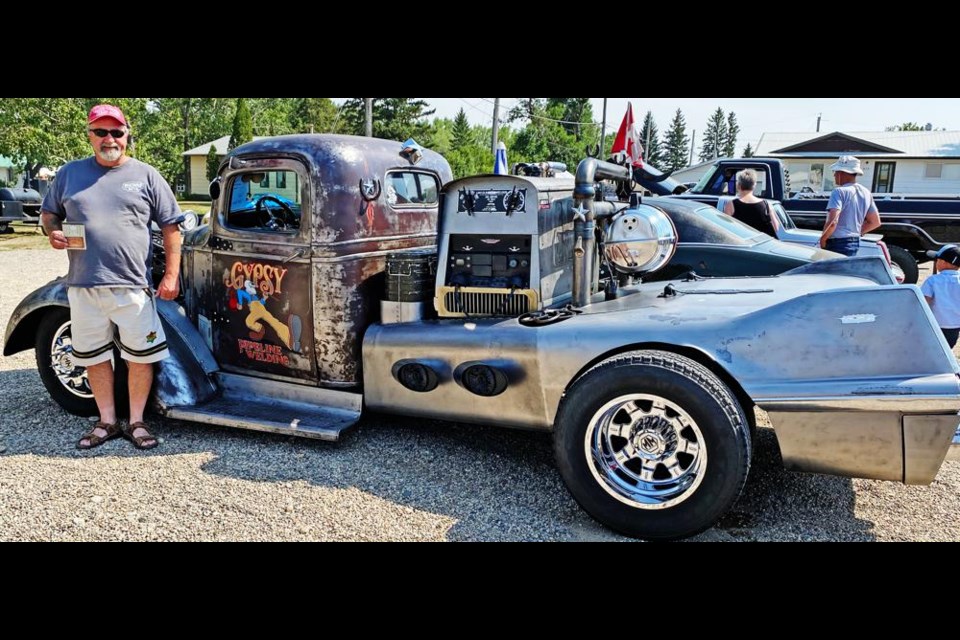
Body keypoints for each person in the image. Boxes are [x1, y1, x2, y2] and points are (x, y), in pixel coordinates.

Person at [41, 104, 184, 451]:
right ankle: (106, 421)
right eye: (101, 132)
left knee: (140, 357)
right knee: (93, 357)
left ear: (127, 136)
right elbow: (49, 214)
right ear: (90, 136)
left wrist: (171, 276)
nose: (109, 139)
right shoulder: (69, 174)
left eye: (116, 132)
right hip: (83, 286)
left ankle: (136, 421)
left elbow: (171, 227)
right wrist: (52, 232)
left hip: (133, 286)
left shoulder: (147, 175)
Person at [819, 155, 881, 256]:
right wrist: (856, 233)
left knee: (831, 271)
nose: (834, 175)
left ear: (842, 173)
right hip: (855, 242)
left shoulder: (838, 192)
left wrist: (823, 239)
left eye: (836, 172)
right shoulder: (866, 192)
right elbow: (875, 222)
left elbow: (833, 222)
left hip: (836, 243)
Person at [921, 244, 960, 348]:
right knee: (947, 349)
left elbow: (924, 302)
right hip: (955, 326)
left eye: (937, 260)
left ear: (943, 262)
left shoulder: (932, 281)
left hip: (936, 325)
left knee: (934, 349)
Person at [723, 169, 779, 237]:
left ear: (738, 185)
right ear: (754, 185)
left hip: (742, 244)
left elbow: (725, 229)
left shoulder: (731, 205)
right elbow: (776, 227)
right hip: (762, 244)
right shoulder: (766, 205)